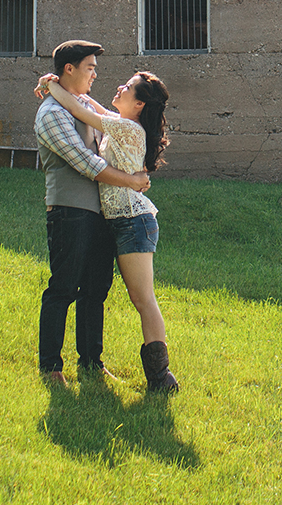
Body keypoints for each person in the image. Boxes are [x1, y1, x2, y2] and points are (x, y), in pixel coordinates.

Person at [37, 67, 180, 393]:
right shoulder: (121, 124)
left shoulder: (129, 130)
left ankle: (161, 378)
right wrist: (58, 82)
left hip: (133, 221)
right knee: (136, 296)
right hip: (117, 221)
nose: (119, 86)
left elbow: (78, 110)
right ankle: (149, 376)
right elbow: (89, 104)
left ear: (140, 104)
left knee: (143, 298)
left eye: (128, 87)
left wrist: (49, 85)